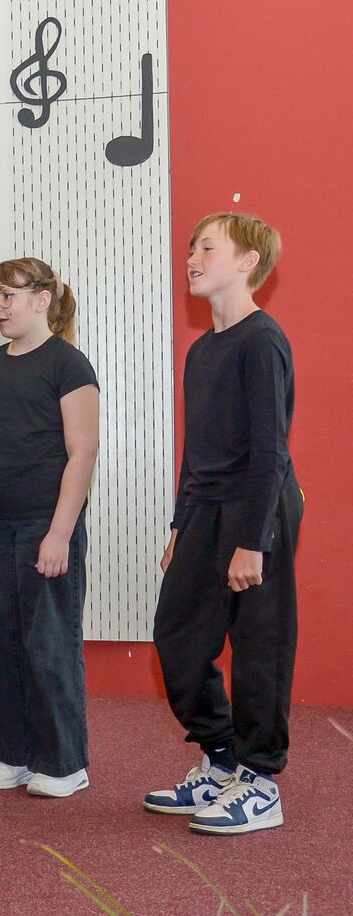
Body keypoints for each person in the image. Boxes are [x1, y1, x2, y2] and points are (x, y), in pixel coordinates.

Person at [146, 213, 298, 835]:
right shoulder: (203, 348)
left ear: (247, 262)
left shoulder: (262, 340)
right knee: (176, 637)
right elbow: (196, 446)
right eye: (191, 247)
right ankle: (221, 758)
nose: (192, 257)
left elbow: (271, 451)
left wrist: (251, 541)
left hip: (257, 506)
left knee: (259, 645)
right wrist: (181, 522)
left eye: (208, 247)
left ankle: (260, 782)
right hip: (205, 508)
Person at [0, 258, 99, 799]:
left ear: (42, 300)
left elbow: (82, 452)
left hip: (44, 523)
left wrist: (59, 533)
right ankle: (13, 754)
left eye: (7, 296)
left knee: (49, 644)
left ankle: (63, 763)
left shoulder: (68, 365)